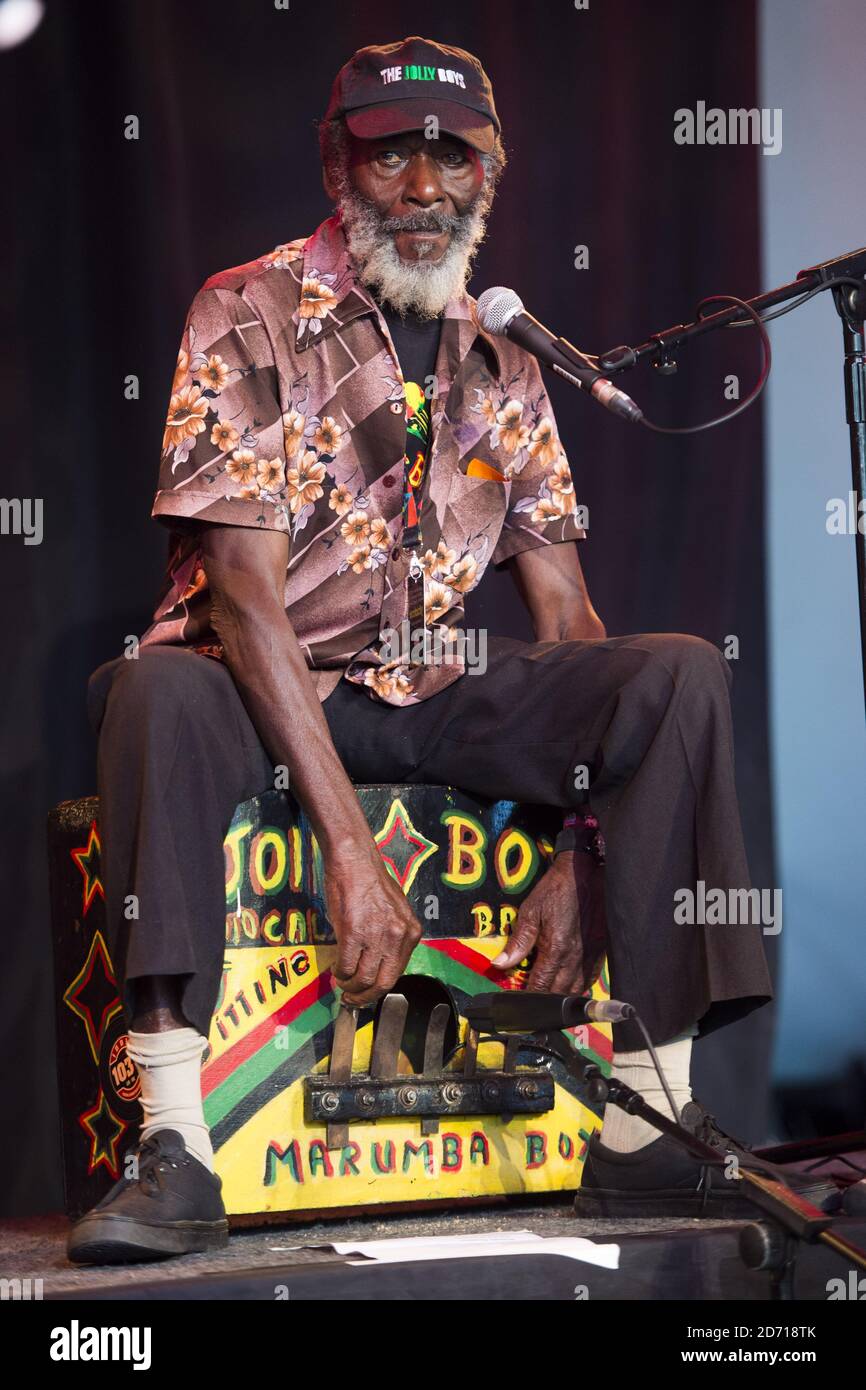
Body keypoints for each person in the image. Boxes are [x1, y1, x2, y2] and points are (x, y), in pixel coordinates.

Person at [68, 36, 838, 1265]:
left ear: (491, 168)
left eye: (451, 153)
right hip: (258, 682)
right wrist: (349, 853)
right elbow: (241, 595)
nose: (423, 186)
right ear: (338, 162)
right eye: (390, 154)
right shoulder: (248, 308)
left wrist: (583, 847)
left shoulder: (509, 352)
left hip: (430, 682)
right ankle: (173, 1144)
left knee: (673, 669)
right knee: (152, 691)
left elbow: (567, 618)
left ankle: (645, 1130)